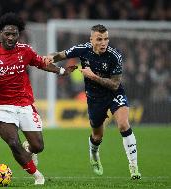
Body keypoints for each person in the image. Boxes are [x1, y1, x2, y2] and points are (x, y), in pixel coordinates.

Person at [0, 12, 77, 185]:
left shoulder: (25, 50)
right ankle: (37, 176)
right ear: (1, 33)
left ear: (18, 34)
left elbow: (41, 62)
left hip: (23, 104)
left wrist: (62, 71)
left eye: (14, 34)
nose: (10, 37)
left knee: (38, 146)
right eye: (7, 33)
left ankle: (29, 149)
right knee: (13, 142)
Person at [46, 24, 141, 180]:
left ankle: (134, 167)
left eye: (106, 39)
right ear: (91, 40)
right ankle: (94, 155)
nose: (103, 43)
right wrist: (50, 57)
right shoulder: (83, 49)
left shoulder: (114, 56)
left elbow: (115, 84)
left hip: (114, 93)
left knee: (123, 124)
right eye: (99, 39)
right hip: (94, 98)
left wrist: (93, 76)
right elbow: (60, 55)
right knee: (97, 136)